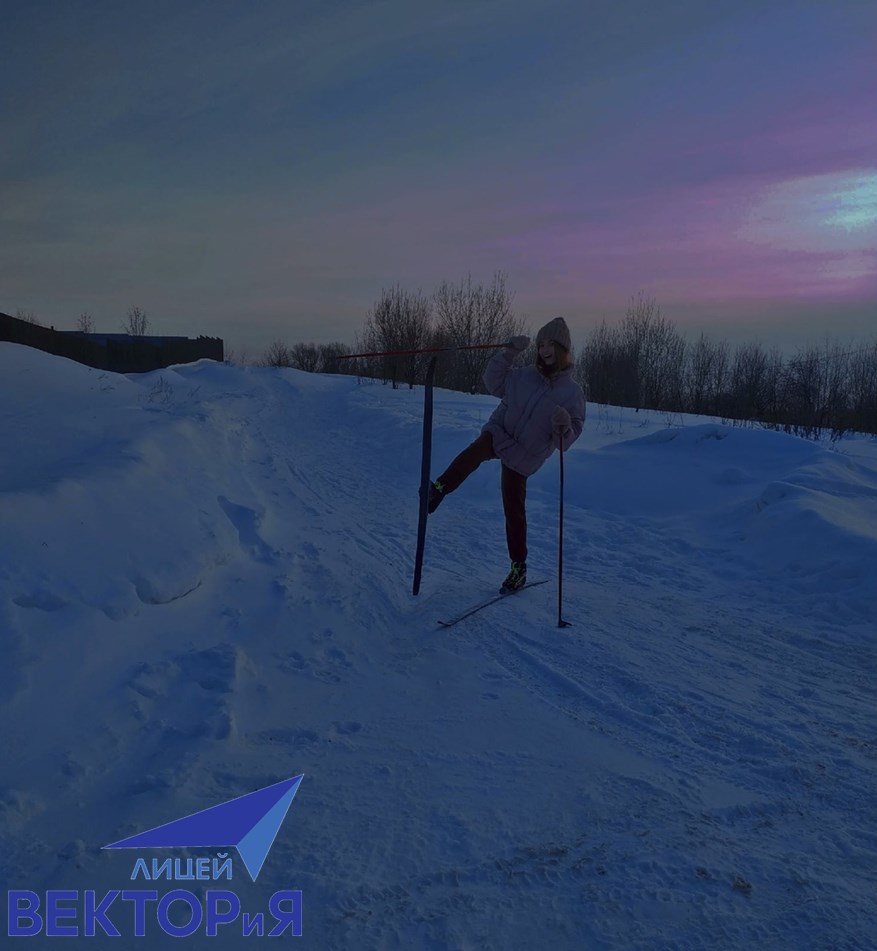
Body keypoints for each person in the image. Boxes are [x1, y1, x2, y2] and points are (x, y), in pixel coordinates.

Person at [428, 316, 586, 593]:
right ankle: (438, 489)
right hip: (500, 432)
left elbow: (565, 440)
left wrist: (563, 427)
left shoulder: (572, 393)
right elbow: (493, 382)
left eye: (550, 344)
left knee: (514, 510)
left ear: (562, 348)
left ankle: (518, 568)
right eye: (541, 344)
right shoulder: (524, 375)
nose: (544, 350)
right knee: (475, 451)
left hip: (525, 455)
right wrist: (509, 354)